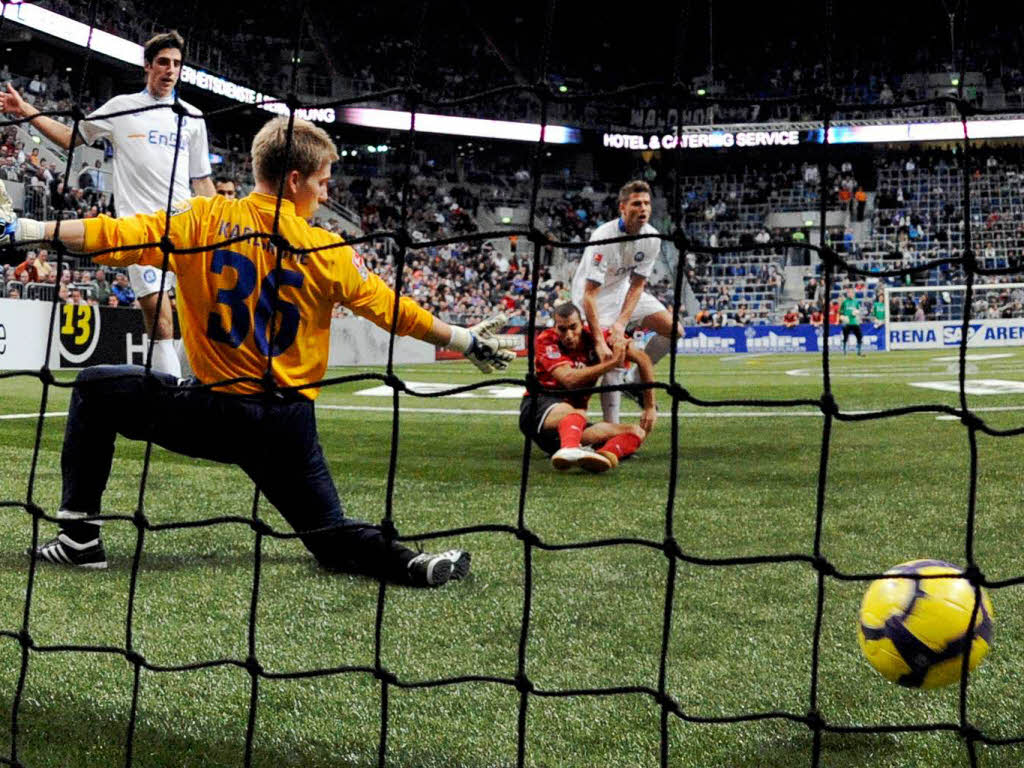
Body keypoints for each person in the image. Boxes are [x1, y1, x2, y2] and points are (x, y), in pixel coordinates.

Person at [0, 116, 517, 587]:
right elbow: (393, 310)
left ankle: (79, 541)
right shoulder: (327, 249)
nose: (325, 191)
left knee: (95, 388)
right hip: (288, 424)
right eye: (323, 181)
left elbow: (114, 235)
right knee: (329, 535)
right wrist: (464, 338)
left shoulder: (202, 220)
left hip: (216, 413)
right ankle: (413, 563)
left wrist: (31, 230)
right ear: (295, 181)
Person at [2, 30, 216, 378]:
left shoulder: (192, 117)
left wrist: (223, 224)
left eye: (177, 64)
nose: (170, 70)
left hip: (188, 230)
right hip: (141, 234)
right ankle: (170, 403)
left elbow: (202, 181)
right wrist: (26, 110)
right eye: (163, 62)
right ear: (148, 65)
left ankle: (182, 389)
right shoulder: (122, 107)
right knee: (160, 319)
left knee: (199, 324)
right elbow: (72, 139)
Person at [570, 180, 683, 424]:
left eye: (647, 203)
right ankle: (613, 426)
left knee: (674, 330)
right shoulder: (603, 237)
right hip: (594, 300)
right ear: (623, 207)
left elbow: (638, 284)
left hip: (623, 293)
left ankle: (633, 383)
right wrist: (601, 340)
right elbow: (589, 294)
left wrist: (622, 322)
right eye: (636, 203)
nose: (643, 208)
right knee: (613, 357)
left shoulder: (653, 237)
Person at [520, 303, 655, 472]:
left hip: (572, 427)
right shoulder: (546, 340)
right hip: (539, 409)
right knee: (576, 413)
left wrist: (649, 407)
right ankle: (570, 449)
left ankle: (604, 456)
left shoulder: (598, 339)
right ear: (555, 328)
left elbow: (643, 360)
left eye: (573, 327)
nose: (568, 335)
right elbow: (569, 379)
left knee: (635, 431)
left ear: (582, 323)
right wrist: (611, 363)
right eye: (562, 329)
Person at [840, 287, 864, 356]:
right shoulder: (844, 302)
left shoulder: (856, 302)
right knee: (845, 337)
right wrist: (843, 318)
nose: (850, 294)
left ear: (853, 294)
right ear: (847, 294)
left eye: (851, 293)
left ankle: (859, 351)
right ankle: (844, 351)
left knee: (859, 336)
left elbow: (859, 311)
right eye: (849, 293)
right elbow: (841, 313)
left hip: (855, 322)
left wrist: (857, 312)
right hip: (847, 323)